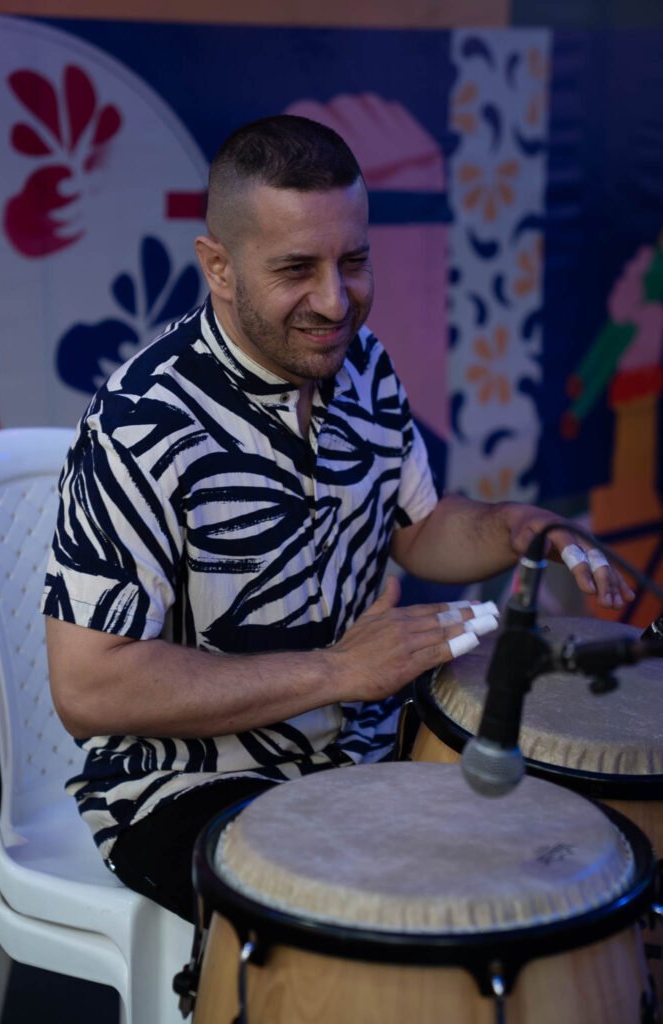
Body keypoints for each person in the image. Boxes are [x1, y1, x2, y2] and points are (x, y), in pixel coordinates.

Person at [41, 114, 633, 924]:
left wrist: (515, 527)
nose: (334, 300)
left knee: (544, 852)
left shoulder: (362, 364)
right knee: (384, 917)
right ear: (218, 266)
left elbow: (419, 529)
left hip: (362, 751)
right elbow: (88, 686)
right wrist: (337, 672)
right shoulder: (141, 422)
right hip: (183, 784)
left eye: (353, 261)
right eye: (297, 269)